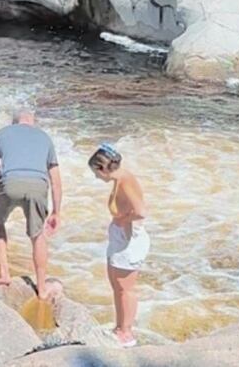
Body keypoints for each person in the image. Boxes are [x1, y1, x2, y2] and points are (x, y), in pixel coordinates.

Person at [0, 108, 62, 299]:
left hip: (9, 183)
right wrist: (56, 212)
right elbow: (56, 181)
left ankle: (4, 274)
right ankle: (42, 288)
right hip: (38, 187)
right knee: (38, 236)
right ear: (32, 122)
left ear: (14, 122)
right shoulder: (45, 138)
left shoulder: (0, 134)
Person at [89, 142, 150, 348]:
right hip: (122, 238)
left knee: (126, 288)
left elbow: (141, 211)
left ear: (102, 168)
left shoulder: (123, 180)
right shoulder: (120, 177)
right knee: (118, 286)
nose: (96, 178)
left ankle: (126, 332)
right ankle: (120, 328)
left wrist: (123, 220)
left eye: (96, 173)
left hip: (129, 239)